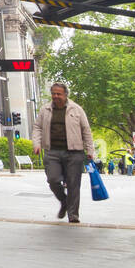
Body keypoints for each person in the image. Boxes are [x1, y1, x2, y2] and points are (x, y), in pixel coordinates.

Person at [30, 82, 94, 223]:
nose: (56, 96)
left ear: (65, 95)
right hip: (52, 151)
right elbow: (37, 127)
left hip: (74, 152)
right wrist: (37, 144)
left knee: (73, 184)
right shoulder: (45, 110)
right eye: (53, 93)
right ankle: (64, 201)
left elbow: (86, 131)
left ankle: (73, 215)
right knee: (52, 180)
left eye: (59, 94)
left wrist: (90, 150)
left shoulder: (76, 109)